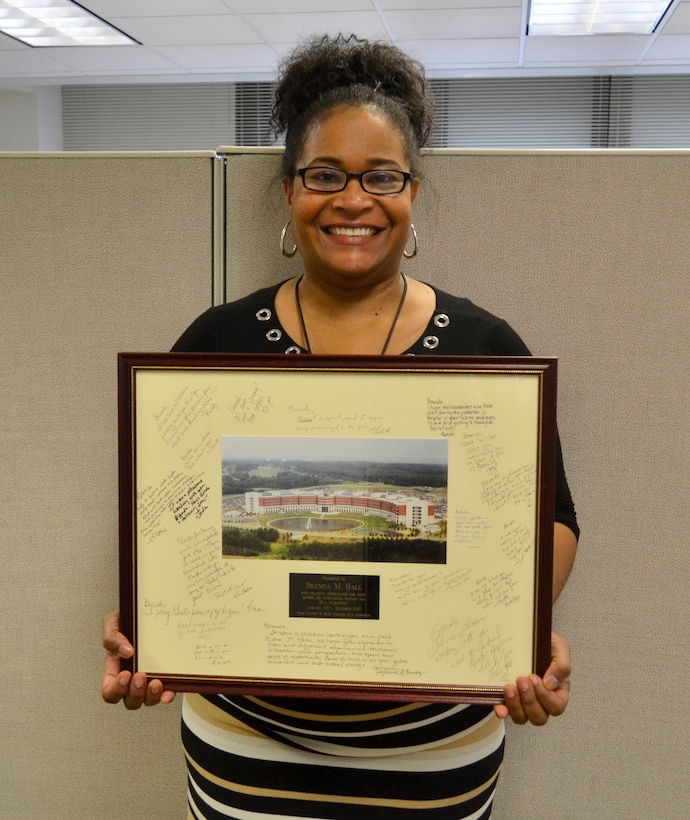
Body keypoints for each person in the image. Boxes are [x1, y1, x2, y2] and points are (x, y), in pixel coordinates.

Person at [103, 33, 579, 819]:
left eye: (380, 176)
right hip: (248, 743)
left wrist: (513, 633)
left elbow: (552, 516)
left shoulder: (485, 349)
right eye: (325, 175)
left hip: (434, 746)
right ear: (290, 190)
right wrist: (148, 622)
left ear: (412, 191)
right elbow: (170, 519)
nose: (352, 199)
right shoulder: (214, 346)